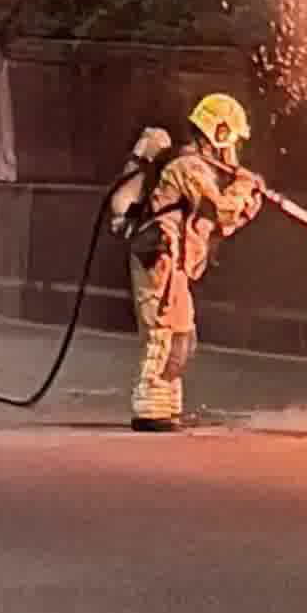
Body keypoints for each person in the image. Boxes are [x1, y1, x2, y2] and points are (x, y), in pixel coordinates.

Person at [110, 94, 264, 431]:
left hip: (175, 264)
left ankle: (164, 404)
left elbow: (219, 223)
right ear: (219, 133)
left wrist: (248, 200)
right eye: (233, 140)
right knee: (162, 336)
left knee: (182, 338)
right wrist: (244, 186)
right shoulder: (188, 168)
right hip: (161, 260)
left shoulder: (200, 169)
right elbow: (221, 209)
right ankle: (149, 408)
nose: (233, 149)